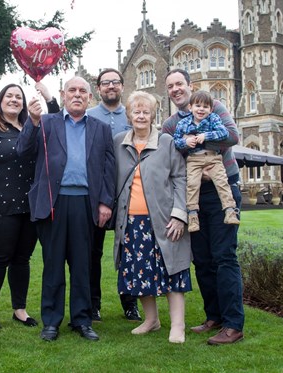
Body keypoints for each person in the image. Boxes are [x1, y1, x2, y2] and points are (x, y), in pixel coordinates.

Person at [16, 76, 115, 342]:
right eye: (72, 90)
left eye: (83, 91)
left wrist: (106, 202)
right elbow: (22, 152)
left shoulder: (101, 128)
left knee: (83, 265)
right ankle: (51, 321)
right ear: (63, 95)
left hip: (86, 203)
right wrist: (32, 122)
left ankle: (82, 320)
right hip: (53, 203)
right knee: (53, 265)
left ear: (90, 98)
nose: (77, 94)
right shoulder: (46, 123)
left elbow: (108, 169)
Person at [162, 68, 245, 345]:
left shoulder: (213, 106)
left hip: (222, 191)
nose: (176, 89)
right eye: (170, 86)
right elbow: (171, 153)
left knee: (224, 257)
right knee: (203, 260)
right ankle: (215, 317)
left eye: (179, 84)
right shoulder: (171, 124)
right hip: (193, 194)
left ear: (190, 85)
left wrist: (198, 140)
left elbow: (232, 136)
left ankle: (234, 324)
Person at [0, 83, 59, 330]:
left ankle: (19, 309)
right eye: (8, 96)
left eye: (18, 97)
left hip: (30, 204)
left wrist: (47, 96)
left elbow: (56, 121)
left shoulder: (33, 127)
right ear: (0, 101)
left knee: (22, 258)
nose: (13, 100)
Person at [112, 91, 192, 344]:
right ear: (128, 115)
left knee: (173, 271)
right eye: (136, 111)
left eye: (146, 111)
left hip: (164, 220)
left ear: (153, 115)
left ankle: (177, 326)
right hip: (131, 223)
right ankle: (151, 320)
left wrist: (180, 215)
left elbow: (181, 178)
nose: (141, 116)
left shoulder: (167, 142)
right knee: (139, 272)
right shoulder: (118, 142)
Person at [86, 68, 140, 322]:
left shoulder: (131, 117)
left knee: (129, 251)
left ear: (122, 86)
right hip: (96, 195)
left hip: (128, 194)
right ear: (98, 88)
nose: (111, 86)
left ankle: (130, 303)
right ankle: (93, 304)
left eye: (115, 82)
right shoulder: (88, 116)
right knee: (92, 252)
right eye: (105, 83)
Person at [173, 90, 240, 232]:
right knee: (192, 186)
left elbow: (225, 133)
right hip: (194, 160)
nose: (201, 109)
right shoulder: (183, 123)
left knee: (222, 182)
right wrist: (186, 142)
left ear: (210, 109)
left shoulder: (213, 119)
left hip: (213, 158)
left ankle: (230, 211)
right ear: (190, 107)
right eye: (198, 106)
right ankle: (192, 216)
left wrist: (206, 135)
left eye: (205, 106)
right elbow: (175, 142)